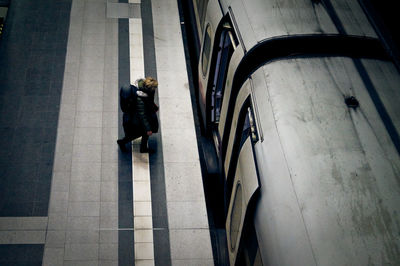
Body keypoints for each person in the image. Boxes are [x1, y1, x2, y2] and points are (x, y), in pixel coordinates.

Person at [117, 77, 159, 153]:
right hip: (137, 118)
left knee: (142, 133)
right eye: (154, 88)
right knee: (140, 133)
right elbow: (142, 115)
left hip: (137, 115)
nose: (155, 89)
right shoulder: (141, 99)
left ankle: (141, 147)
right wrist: (148, 128)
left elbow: (149, 101)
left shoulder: (143, 87)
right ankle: (123, 142)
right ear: (149, 88)